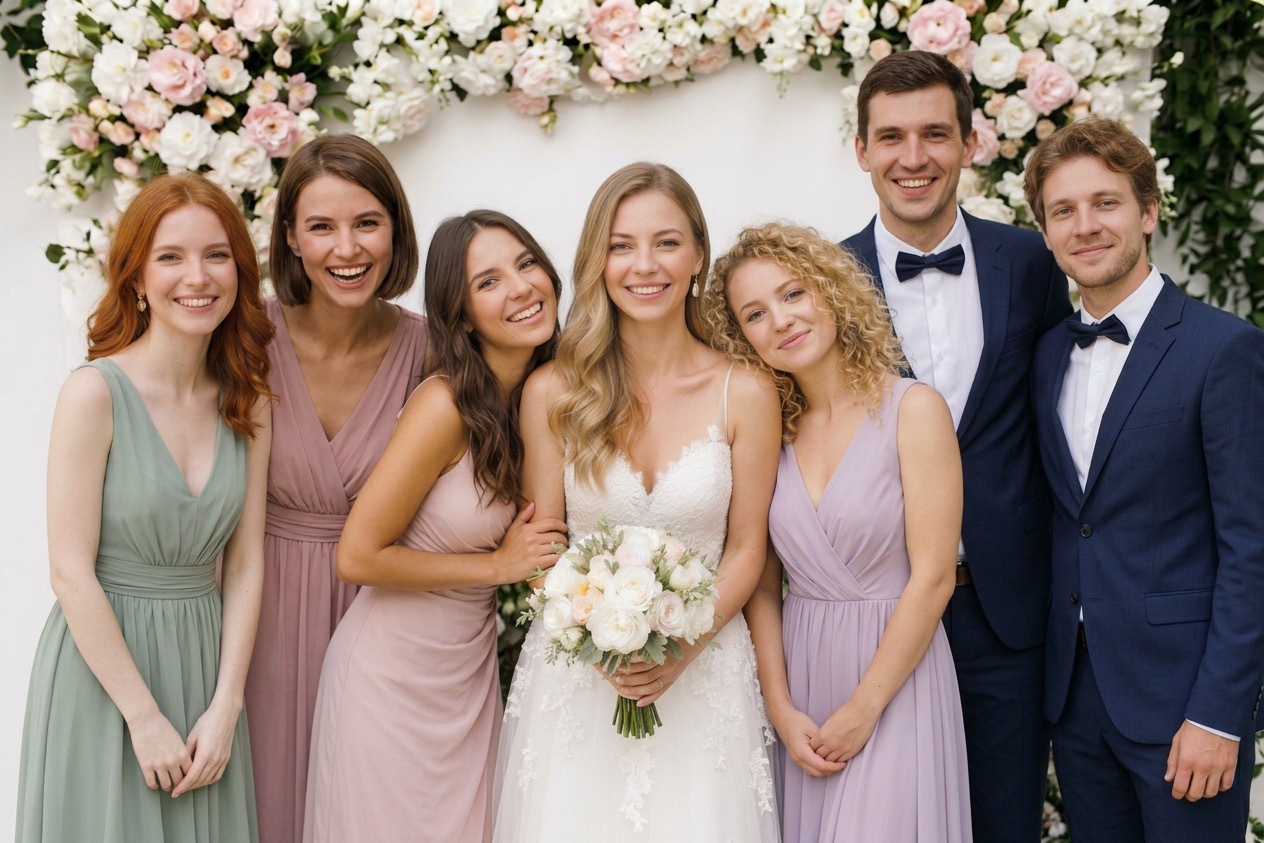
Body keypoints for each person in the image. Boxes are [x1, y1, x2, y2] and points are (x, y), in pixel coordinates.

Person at [494, 162, 782, 841]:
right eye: (621, 244)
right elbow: (546, 545)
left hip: (705, 672)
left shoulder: (745, 390)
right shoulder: (553, 391)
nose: (643, 265)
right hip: (579, 680)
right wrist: (601, 642)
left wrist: (680, 650)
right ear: (598, 258)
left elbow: (747, 547)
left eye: (666, 242)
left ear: (698, 256)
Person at [840, 49, 1073, 841]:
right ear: (862, 149)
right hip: (872, 616)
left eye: (936, 134)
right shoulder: (822, 284)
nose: (914, 157)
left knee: (1005, 824)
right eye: (893, 136)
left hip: (1002, 614)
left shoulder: (1035, 264)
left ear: (970, 144)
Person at [1023, 117, 1264, 843]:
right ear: (1044, 231)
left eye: (1106, 202)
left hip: (1186, 702)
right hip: (1078, 699)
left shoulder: (1224, 349)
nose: (1085, 225)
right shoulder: (1044, 358)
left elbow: (1252, 547)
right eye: (1063, 210)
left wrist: (1221, 712)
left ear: (1148, 211)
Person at [16, 173, 273, 842]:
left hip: (204, 670)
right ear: (135, 277)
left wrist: (226, 706)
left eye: (217, 255)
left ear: (240, 272)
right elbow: (70, 571)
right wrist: (142, 715)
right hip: (105, 678)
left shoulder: (249, 402)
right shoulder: (93, 394)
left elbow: (245, 565)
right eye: (170, 256)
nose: (198, 275)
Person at [303, 210, 567, 842]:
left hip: (467, 675)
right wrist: (497, 568)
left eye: (527, 263)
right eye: (489, 282)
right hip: (389, 681)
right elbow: (358, 556)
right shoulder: (444, 404)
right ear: (461, 313)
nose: (521, 287)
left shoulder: (537, 395)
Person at [706, 221, 971, 841]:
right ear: (744, 338)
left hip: (895, 679)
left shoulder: (914, 410)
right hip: (801, 677)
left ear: (830, 292)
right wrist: (779, 707)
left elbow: (934, 579)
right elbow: (762, 586)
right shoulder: (771, 434)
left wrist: (862, 709)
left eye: (793, 293)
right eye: (755, 313)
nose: (781, 320)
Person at [246, 134, 428, 843]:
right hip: (254, 615)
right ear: (290, 237)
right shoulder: (243, 333)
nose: (346, 249)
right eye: (321, 226)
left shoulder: (431, 348)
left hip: (384, 621)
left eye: (366, 223)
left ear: (395, 228)